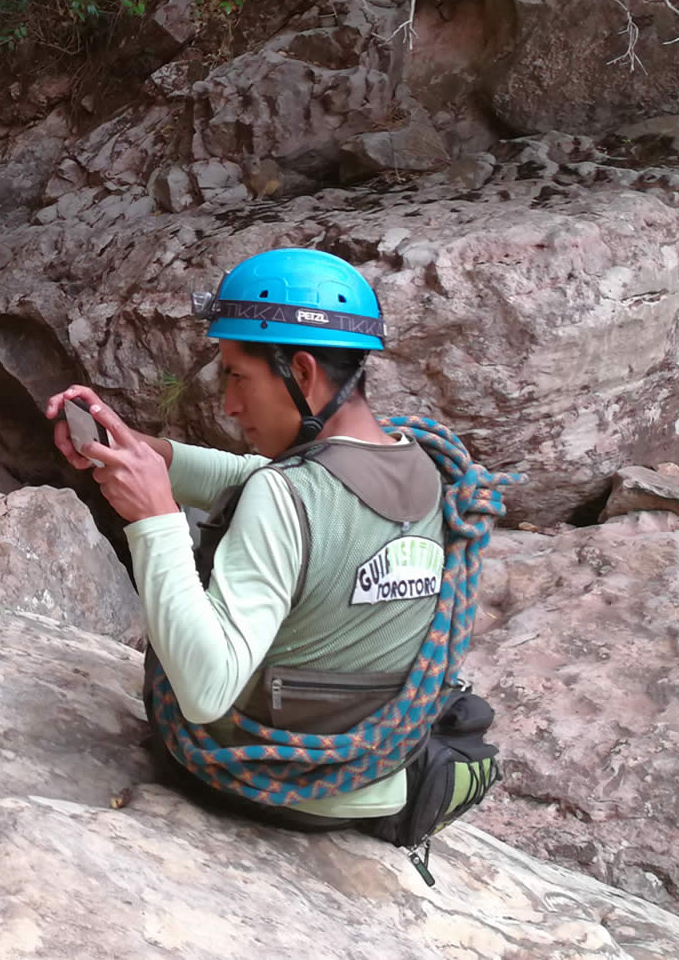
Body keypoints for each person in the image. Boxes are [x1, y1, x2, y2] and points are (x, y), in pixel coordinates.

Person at [46, 246, 453, 833]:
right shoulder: (425, 469)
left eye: (238, 376)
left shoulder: (286, 496)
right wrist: (146, 451)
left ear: (304, 373)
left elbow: (207, 692)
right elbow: (282, 492)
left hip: (270, 783)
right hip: (372, 776)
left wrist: (155, 518)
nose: (231, 405)